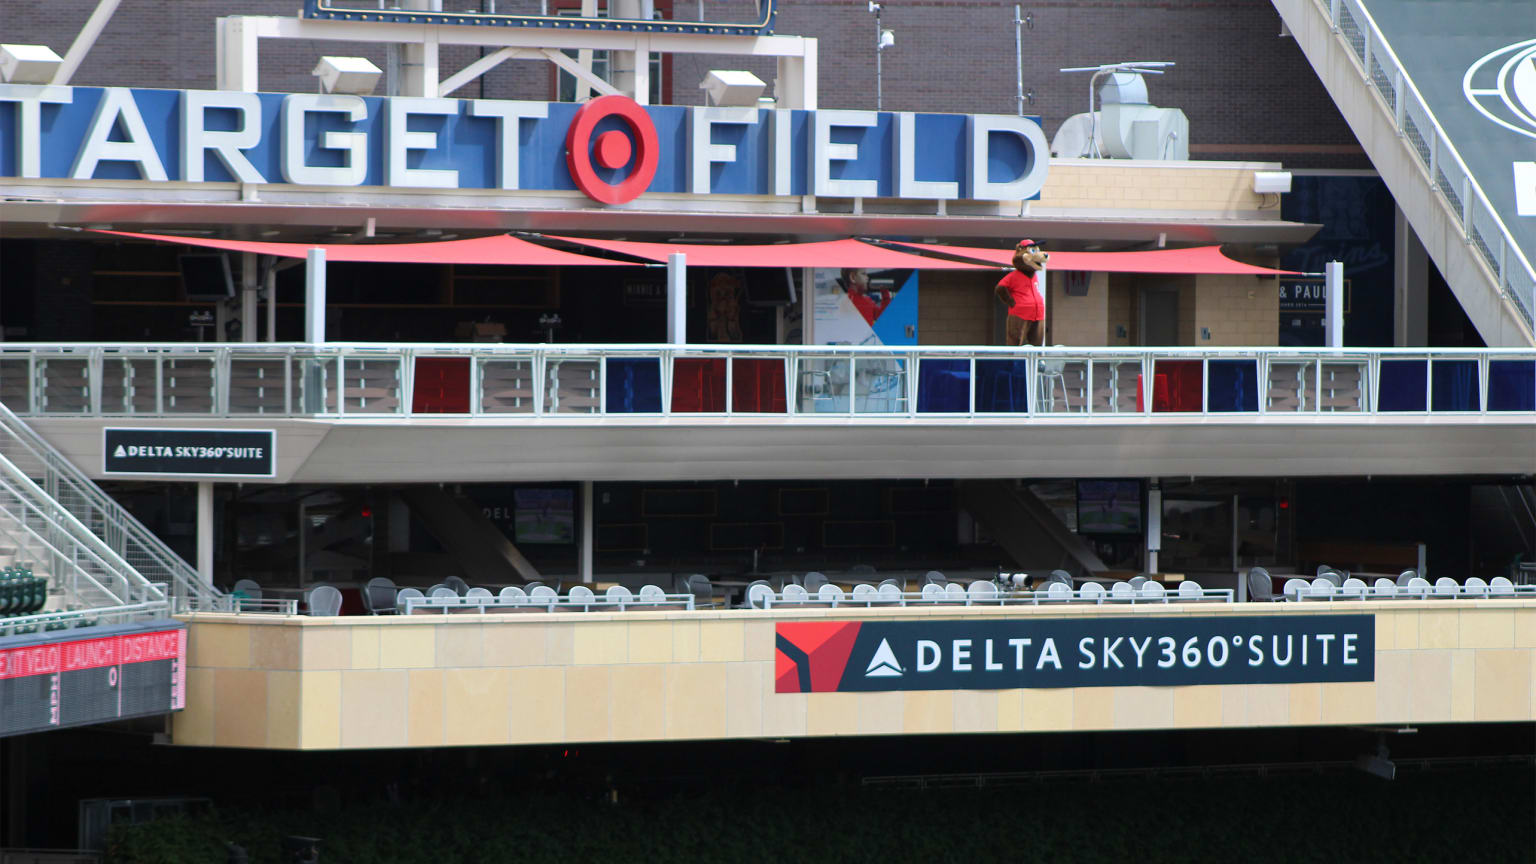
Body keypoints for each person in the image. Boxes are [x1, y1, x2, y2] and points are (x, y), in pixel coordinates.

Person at [994, 239, 1048, 346]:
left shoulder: (1034, 276)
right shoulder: (1014, 276)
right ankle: (1013, 362)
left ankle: (1035, 362)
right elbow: (1000, 288)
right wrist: (1011, 302)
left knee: (1037, 342)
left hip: (1038, 314)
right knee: (1015, 340)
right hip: (1020, 314)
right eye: (1033, 251)